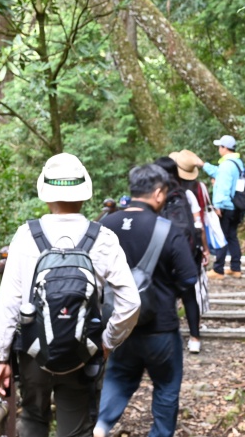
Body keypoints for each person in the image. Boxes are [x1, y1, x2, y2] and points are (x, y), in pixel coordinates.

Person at [0, 153, 141, 437]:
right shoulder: (102, 237)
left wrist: (1, 357)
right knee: (76, 428)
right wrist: (107, 342)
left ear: (45, 193)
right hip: (82, 351)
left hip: (33, 352)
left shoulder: (26, 235)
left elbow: (9, 301)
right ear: (84, 192)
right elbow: (131, 302)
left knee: (34, 419)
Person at [94, 164, 199, 437]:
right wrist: (167, 290)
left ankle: (100, 426)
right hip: (160, 326)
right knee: (166, 386)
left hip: (118, 325)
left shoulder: (105, 226)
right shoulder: (168, 229)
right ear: (158, 193)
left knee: (118, 377)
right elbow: (189, 278)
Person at [155, 152, 211, 353]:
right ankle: (195, 338)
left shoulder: (154, 195)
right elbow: (198, 224)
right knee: (189, 295)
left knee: (163, 293)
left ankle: (167, 338)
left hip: (160, 252)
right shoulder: (186, 194)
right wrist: (204, 248)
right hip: (185, 251)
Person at [195, 134, 245, 279]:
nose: (219, 149)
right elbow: (218, 173)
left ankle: (218, 269)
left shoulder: (226, 165)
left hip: (225, 207)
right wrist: (203, 164)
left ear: (224, 148)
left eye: (220, 146)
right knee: (232, 237)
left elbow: (223, 187)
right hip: (236, 206)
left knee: (220, 236)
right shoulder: (236, 163)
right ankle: (236, 268)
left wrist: (218, 206)